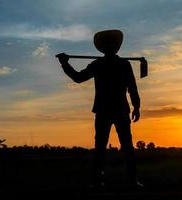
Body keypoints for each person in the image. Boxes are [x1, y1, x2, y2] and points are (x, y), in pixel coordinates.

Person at [58, 30, 143, 189]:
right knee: (100, 148)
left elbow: (132, 87)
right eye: (108, 44)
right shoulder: (99, 65)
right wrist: (65, 64)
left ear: (116, 46)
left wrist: (136, 106)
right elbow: (78, 78)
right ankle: (98, 181)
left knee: (127, 146)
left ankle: (131, 180)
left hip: (118, 110)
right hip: (104, 111)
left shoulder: (123, 64)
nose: (111, 46)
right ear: (105, 47)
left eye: (113, 44)